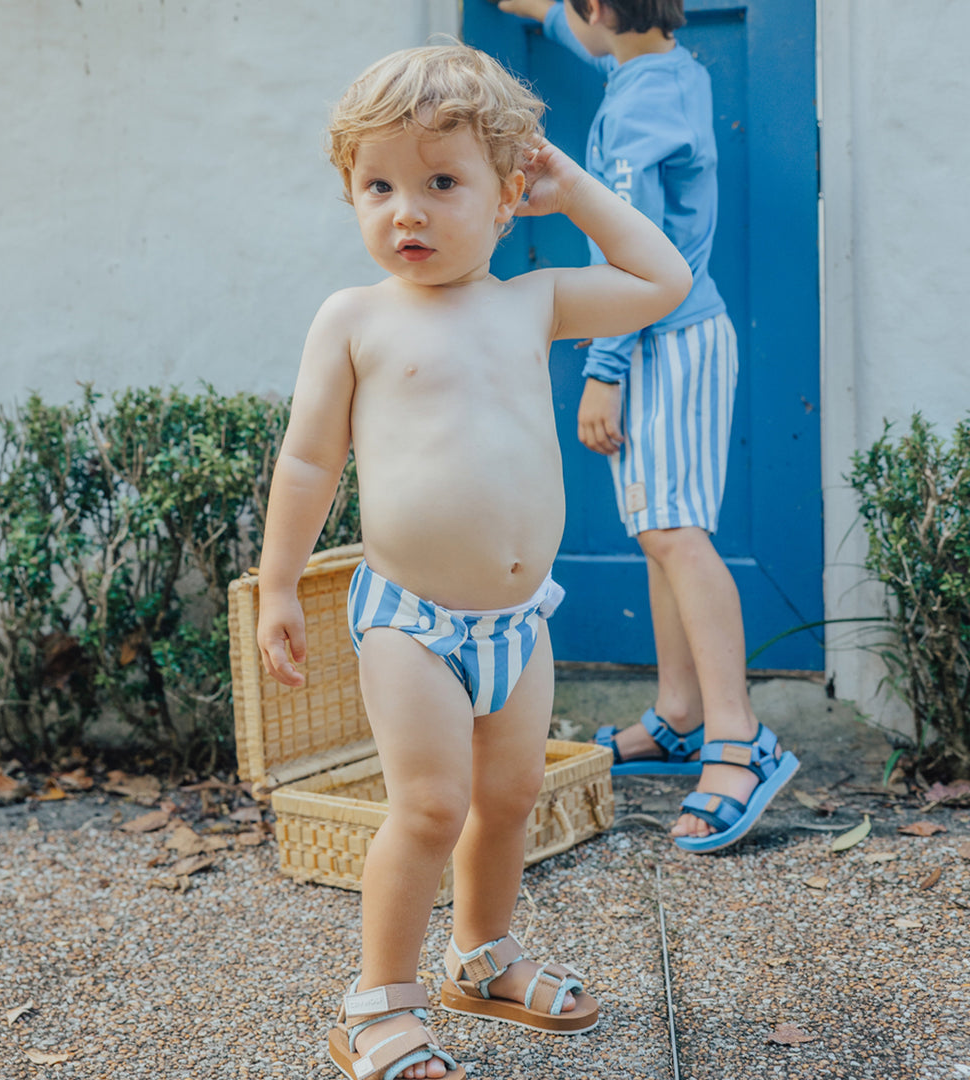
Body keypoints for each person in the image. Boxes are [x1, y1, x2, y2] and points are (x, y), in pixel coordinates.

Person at [255, 43, 691, 1080]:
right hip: (411, 621)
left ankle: (483, 957)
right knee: (432, 805)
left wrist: (574, 187)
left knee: (509, 799)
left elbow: (663, 278)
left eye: (442, 183)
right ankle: (379, 1004)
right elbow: (310, 458)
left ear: (508, 197)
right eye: (379, 185)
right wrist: (279, 582)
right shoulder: (354, 320)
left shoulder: (531, 302)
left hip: (517, 623)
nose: (405, 211)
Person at [493, 0, 799, 853]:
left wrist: (603, 370)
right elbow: (598, 37)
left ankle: (739, 739)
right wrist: (545, 12)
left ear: (600, 8)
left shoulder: (634, 106)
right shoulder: (663, 69)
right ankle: (679, 716)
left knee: (675, 532)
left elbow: (639, 251)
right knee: (660, 532)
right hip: (669, 337)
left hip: (665, 340)